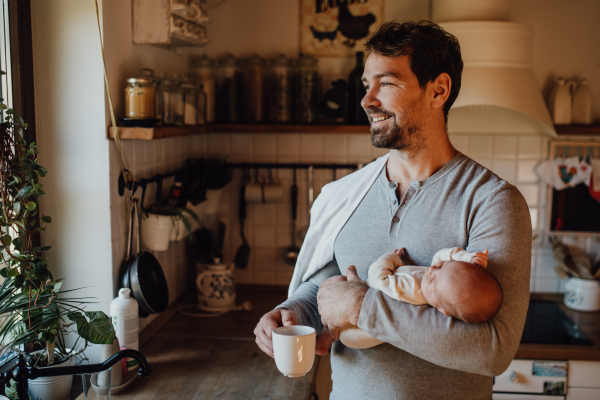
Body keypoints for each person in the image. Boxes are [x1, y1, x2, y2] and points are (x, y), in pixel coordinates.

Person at [255, 20, 531, 400]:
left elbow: (492, 349)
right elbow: (330, 282)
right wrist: (293, 313)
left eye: (386, 84)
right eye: (367, 85)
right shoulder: (345, 194)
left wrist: (361, 305)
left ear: (438, 90)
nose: (368, 100)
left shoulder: (492, 201)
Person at [340, 247, 503, 349]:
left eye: (433, 280)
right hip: (365, 317)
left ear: (441, 310)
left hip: (357, 333)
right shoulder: (441, 291)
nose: (431, 270)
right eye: (441, 267)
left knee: (346, 287)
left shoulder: (411, 288)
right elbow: (440, 256)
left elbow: (377, 277)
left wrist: (392, 258)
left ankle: (352, 280)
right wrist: (468, 258)